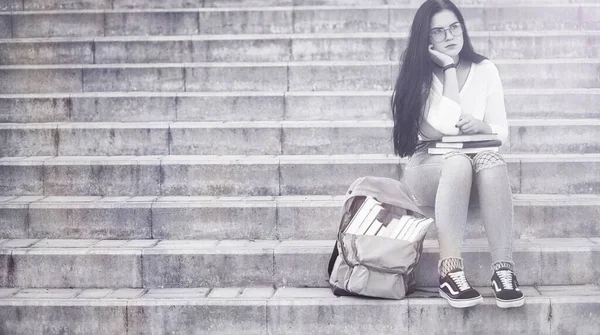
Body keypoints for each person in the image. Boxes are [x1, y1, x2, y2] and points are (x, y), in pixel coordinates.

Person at [390, 0, 524, 309]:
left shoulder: (485, 69)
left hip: (475, 166)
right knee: (458, 162)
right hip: (429, 168)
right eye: (439, 32)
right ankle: (450, 271)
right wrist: (448, 68)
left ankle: (503, 271)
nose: (450, 36)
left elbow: (501, 131)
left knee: (491, 160)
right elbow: (446, 126)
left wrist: (481, 125)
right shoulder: (420, 77)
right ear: (427, 40)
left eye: (454, 27)